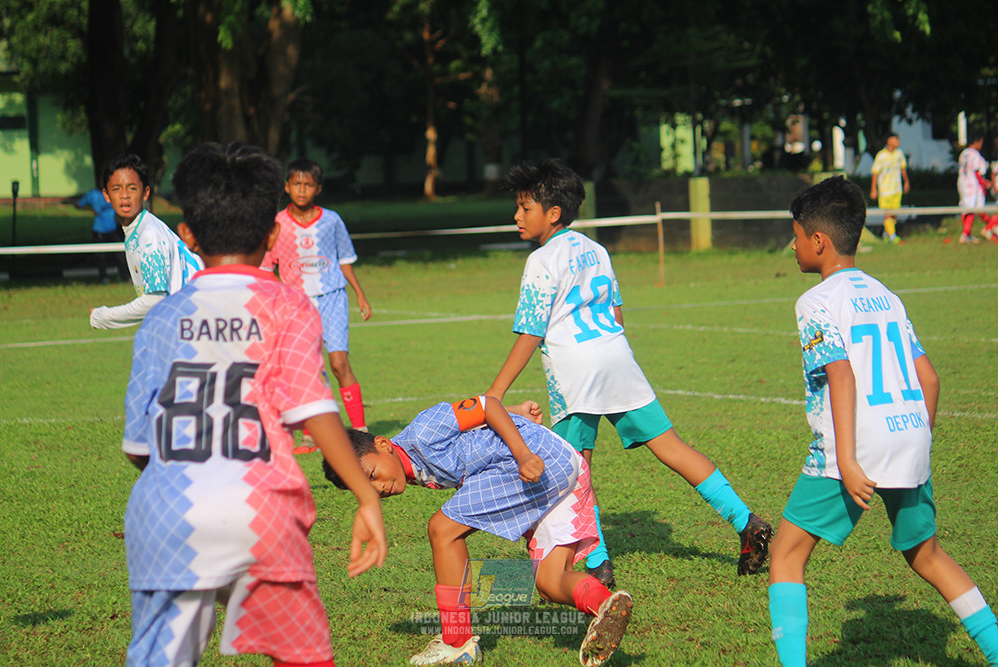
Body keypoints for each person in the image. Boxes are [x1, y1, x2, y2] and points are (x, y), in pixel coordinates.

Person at [121, 142, 388, 667]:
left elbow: (137, 448)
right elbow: (315, 409)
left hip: (166, 515)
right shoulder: (288, 305)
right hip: (260, 513)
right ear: (271, 236)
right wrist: (365, 496)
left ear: (187, 235)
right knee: (303, 658)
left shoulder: (161, 318)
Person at [485, 159, 772, 588]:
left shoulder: (542, 260)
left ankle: (598, 564)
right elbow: (616, 314)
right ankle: (746, 521)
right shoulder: (596, 250)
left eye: (525, 208)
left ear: (553, 213)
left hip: (575, 370)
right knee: (672, 446)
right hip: (618, 356)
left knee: (576, 469)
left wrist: (496, 390)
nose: (517, 216)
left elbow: (531, 331)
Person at [768, 175, 998, 666]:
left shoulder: (815, 301)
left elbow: (841, 375)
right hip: (910, 434)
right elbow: (929, 378)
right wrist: (916, 440)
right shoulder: (886, 295)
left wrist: (849, 460)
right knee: (927, 554)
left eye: (795, 235)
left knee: (786, 554)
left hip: (856, 443)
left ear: (818, 241)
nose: (792, 246)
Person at [323, 395, 633, 667]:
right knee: (550, 584)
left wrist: (523, 453)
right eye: (367, 489)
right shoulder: (406, 463)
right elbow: (475, 424)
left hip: (533, 460)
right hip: (561, 467)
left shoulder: (422, 431)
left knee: (442, 529)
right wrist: (518, 411)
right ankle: (605, 604)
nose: (378, 488)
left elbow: (486, 405)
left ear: (383, 445)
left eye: (372, 475)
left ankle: (457, 642)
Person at [261, 158, 371, 444]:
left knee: (338, 363)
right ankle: (311, 434)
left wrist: (359, 293)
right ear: (287, 187)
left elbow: (345, 259)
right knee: (307, 367)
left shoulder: (332, 221)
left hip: (332, 298)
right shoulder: (277, 224)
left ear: (318, 189)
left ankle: (360, 430)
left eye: (308, 185)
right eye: (296, 183)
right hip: (296, 305)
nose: (302, 189)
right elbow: (266, 267)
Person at [89, 153, 203, 328]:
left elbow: (154, 300)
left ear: (145, 193)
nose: (125, 195)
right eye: (117, 188)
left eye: (132, 188)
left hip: (196, 324)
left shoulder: (148, 235)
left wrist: (102, 317)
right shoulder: (140, 228)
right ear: (106, 195)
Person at [77, 185, 128, 283]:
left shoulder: (113, 193)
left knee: (120, 253)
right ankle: (103, 277)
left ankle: (125, 277)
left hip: (112, 229)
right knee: (101, 255)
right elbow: (78, 204)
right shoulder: (93, 194)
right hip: (99, 230)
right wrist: (90, 210)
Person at [869, 133, 910, 244]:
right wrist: (874, 189)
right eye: (896, 140)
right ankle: (893, 236)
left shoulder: (899, 153)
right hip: (885, 190)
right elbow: (875, 173)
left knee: (894, 214)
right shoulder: (881, 155)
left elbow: (903, 169)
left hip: (897, 189)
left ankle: (887, 233)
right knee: (887, 213)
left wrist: (906, 182)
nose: (898, 142)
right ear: (889, 141)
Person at [956, 135, 998, 244]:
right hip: (972, 185)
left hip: (963, 182)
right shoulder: (975, 155)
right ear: (978, 142)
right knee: (972, 210)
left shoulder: (964, 153)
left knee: (969, 209)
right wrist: (983, 184)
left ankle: (987, 227)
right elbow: (976, 172)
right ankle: (966, 234)